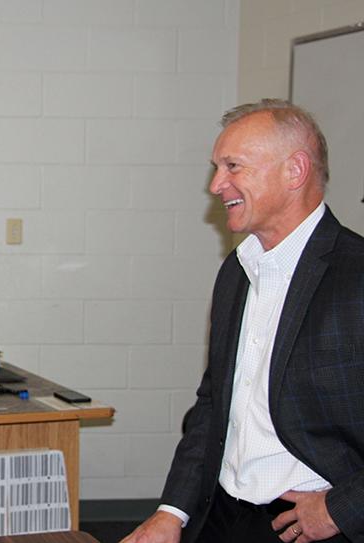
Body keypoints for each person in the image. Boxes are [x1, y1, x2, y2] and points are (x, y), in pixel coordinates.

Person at [122, 99, 364, 543]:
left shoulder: (357, 274)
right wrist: (171, 512)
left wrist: (342, 511)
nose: (216, 184)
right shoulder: (237, 270)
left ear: (295, 171)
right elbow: (215, 403)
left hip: (312, 525)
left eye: (233, 166)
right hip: (223, 515)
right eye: (217, 167)